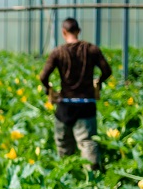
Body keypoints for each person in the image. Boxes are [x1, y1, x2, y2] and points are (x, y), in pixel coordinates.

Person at [39, 17, 112, 171]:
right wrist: (98, 82)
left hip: (65, 105)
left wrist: (49, 89)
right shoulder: (92, 49)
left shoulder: (58, 52)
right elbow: (107, 71)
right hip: (86, 105)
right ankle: (92, 178)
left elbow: (43, 77)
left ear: (63, 32)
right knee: (87, 143)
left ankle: (67, 175)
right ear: (78, 31)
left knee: (64, 144)